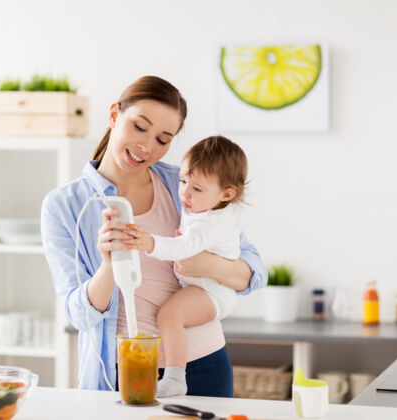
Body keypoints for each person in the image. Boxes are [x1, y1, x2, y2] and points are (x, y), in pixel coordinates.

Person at [41, 75, 267, 397]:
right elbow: (79, 315)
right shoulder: (65, 206)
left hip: (202, 363)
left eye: (163, 139)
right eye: (139, 126)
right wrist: (108, 267)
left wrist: (204, 264)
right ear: (114, 115)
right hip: (123, 369)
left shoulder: (186, 185)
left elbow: (254, 270)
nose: (146, 147)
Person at [123, 135, 249, 397]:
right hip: (204, 289)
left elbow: (184, 248)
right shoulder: (208, 204)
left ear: (226, 194)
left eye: (197, 189)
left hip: (211, 293)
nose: (185, 193)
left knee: (169, 317)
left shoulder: (211, 222)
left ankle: (175, 377)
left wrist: (149, 242)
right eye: (182, 181)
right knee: (171, 316)